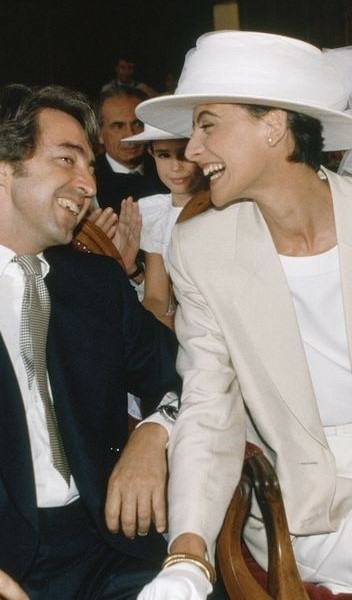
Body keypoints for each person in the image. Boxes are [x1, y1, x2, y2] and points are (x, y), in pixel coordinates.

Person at [135, 31, 352, 599]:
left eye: (207, 125)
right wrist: (188, 555)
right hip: (310, 507)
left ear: (273, 125)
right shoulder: (202, 249)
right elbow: (208, 407)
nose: (191, 150)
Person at [0, 82, 181, 600]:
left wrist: (154, 433)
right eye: (67, 159)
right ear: (5, 168)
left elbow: (192, 373)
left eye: (90, 164)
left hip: (110, 550)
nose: (87, 183)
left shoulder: (96, 285)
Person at [121, 124, 208, 329]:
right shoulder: (154, 212)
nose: (175, 167)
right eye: (164, 155)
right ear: (151, 154)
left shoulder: (221, 208)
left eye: (183, 154)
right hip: (178, 328)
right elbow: (156, 298)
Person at [95, 86, 167, 216]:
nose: (130, 134)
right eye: (118, 126)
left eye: (138, 124)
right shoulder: (89, 179)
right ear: (99, 134)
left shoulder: (168, 169)